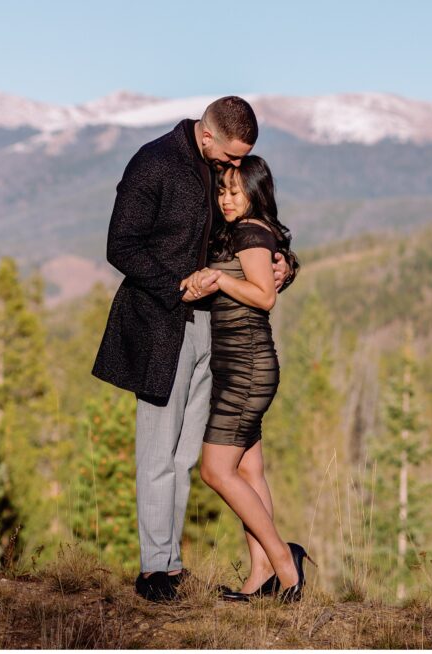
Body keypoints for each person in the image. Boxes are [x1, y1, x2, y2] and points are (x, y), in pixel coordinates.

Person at [92, 97, 293, 602]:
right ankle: (155, 571)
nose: (234, 169)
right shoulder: (153, 163)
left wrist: (286, 264)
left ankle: (175, 567)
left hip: (221, 334)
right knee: (158, 453)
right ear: (207, 138)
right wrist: (177, 287)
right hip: (164, 327)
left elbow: (252, 230)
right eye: (229, 158)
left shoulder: (221, 171)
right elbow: (121, 245)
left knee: (186, 457)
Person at [183, 156, 313, 603]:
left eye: (235, 191)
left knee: (216, 470)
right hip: (238, 365)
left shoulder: (251, 232)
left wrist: (219, 279)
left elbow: (264, 296)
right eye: (222, 190)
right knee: (247, 468)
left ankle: (284, 562)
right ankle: (260, 573)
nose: (226, 198)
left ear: (255, 192)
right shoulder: (243, 231)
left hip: (248, 367)